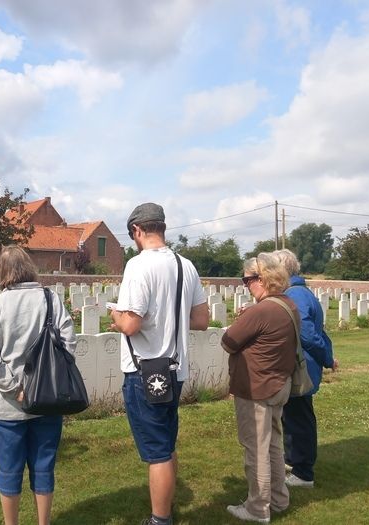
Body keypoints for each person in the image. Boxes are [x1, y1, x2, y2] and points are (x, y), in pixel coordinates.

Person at [110, 203, 209, 525]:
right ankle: (167, 505)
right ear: (161, 228)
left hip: (144, 370)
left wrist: (114, 313)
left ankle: (160, 519)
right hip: (174, 367)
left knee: (157, 452)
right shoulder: (186, 265)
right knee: (166, 442)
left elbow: (131, 325)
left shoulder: (138, 266)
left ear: (137, 230)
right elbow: (201, 320)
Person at [0, 245, 77, 525]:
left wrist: (15, 388)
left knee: (9, 471)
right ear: (29, 267)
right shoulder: (51, 299)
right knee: (43, 467)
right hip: (48, 399)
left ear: (3, 271)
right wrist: (54, 376)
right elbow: (69, 342)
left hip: (7, 405)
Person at [221, 253, 298, 523]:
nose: (245, 285)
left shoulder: (262, 310)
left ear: (262, 279)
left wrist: (242, 320)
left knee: (255, 448)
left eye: (247, 280)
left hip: (256, 388)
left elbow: (229, 341)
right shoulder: (287, 304)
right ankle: (278, 499)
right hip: (280, 384)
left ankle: (257, 508)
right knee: (274, 445)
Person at [274, 249, 336, 489]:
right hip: (303, 365)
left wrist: (327, 358)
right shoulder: (298, 291)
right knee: (293, 417)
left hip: (303, 367)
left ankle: (303, 473)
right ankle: (294, 460)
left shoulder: (295, 294)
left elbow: (307, 334)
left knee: (299, 420)